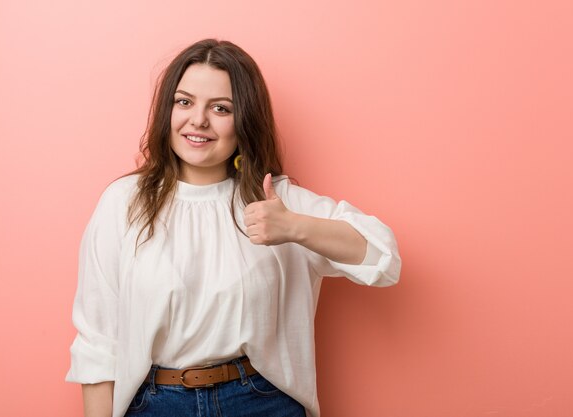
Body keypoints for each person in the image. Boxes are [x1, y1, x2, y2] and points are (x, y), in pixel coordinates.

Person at [65, 38, 401, 417]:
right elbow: (98, 341)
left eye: (221, 108)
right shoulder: (124, 201)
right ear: (167, 110)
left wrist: (295, 227)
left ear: (245, 120)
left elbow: (384, 259)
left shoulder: (276, 200)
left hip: (261, 400)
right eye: (184, 101)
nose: (198, 120)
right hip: (155, 404)